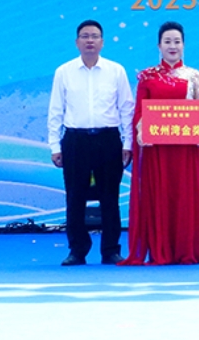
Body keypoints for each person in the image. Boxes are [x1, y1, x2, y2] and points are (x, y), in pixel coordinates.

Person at [120, 21, 199, 265]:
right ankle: (161, 249)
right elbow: (139, 112)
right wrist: (142, 133)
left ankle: (185, 249)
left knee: (184, 196)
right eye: (167, 41)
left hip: (185, 149)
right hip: (157, 150)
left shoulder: (193, 76)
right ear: (159, 46)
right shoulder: (147, 76)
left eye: (177, 41)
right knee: (160, 196)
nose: (172, 46)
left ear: (183, 45)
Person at [48, 19, 135, 266]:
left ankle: (111, 250)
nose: (90, 40)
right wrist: (55, 146)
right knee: (75, 197)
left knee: (110, 197)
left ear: (102, 42)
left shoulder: (116, 71)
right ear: (77, 42)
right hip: (75, 140)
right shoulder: (64, 72)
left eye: (94, 36)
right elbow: (55, 110)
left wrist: (127, 143)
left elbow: (126, 109)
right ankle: (77, 250)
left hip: (108, 139)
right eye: (85, 36)